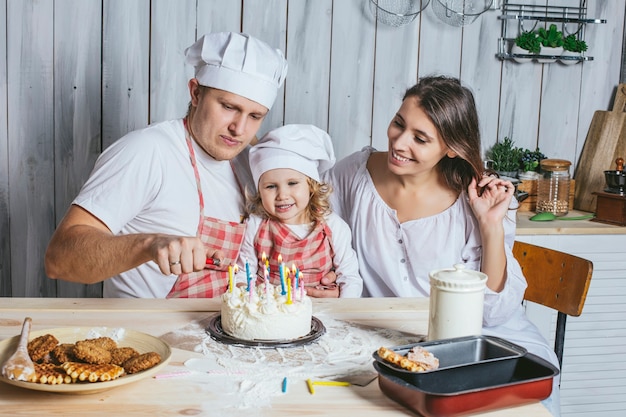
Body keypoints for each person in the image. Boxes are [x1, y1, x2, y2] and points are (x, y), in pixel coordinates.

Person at [324, 76, 561, 416]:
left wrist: (490, 225)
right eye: (398, 124)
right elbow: (313, 225)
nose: (399, 143)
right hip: (391, 335)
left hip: (479, 341)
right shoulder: (353, 174)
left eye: (420, 138)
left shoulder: (480, 197)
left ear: (451, 147)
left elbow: (494, 313)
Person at [44, 32, 290, 298]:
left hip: (223, 334)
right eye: (229, 107)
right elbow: (59, 260)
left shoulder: (252, 165)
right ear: (195, 93)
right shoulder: (147, 151)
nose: (239, 129)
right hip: (149, 334)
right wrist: (149, 244)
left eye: (255, 116)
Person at [234, 124, 362, 298]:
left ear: (311, 185)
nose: (282, 195)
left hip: (319, 310)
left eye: (292, 183)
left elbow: (349, 277)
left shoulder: (332, 226)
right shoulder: (255, 226)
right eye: (271, 186)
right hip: (268, 311)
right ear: (259, 190)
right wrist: (245, 294)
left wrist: (343, 311)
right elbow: (242, 272)